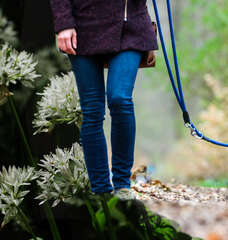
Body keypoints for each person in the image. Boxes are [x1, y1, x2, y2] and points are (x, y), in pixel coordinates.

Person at [49, 0, 158, 194]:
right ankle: (102, 194)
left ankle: (122, 188)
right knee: (92, 110)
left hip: (129, 25)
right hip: (82, 26)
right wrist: (63, 23)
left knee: (120, 99)